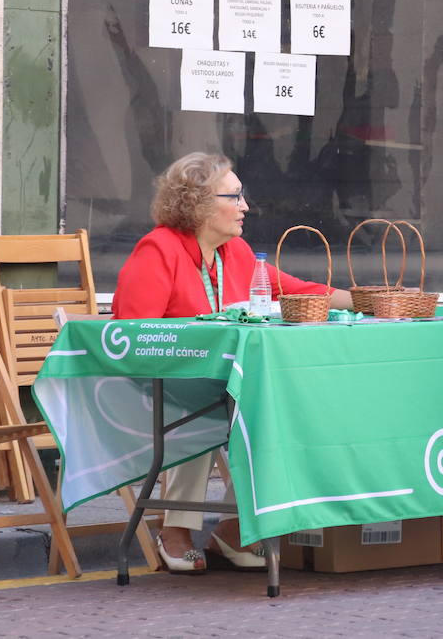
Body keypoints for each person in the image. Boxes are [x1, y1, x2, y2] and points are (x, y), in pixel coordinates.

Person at [113, 151, 353, 573]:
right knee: (221, 407)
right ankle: (176, 528)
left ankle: (231, 526)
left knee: (287, 406)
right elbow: (133, 333)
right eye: (234, 196)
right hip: (159, 382)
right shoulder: (158, 249)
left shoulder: (236, 252)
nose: (245, 206)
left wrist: (365, 300)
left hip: (224, 383)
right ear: (198, 204)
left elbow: (296, 291)